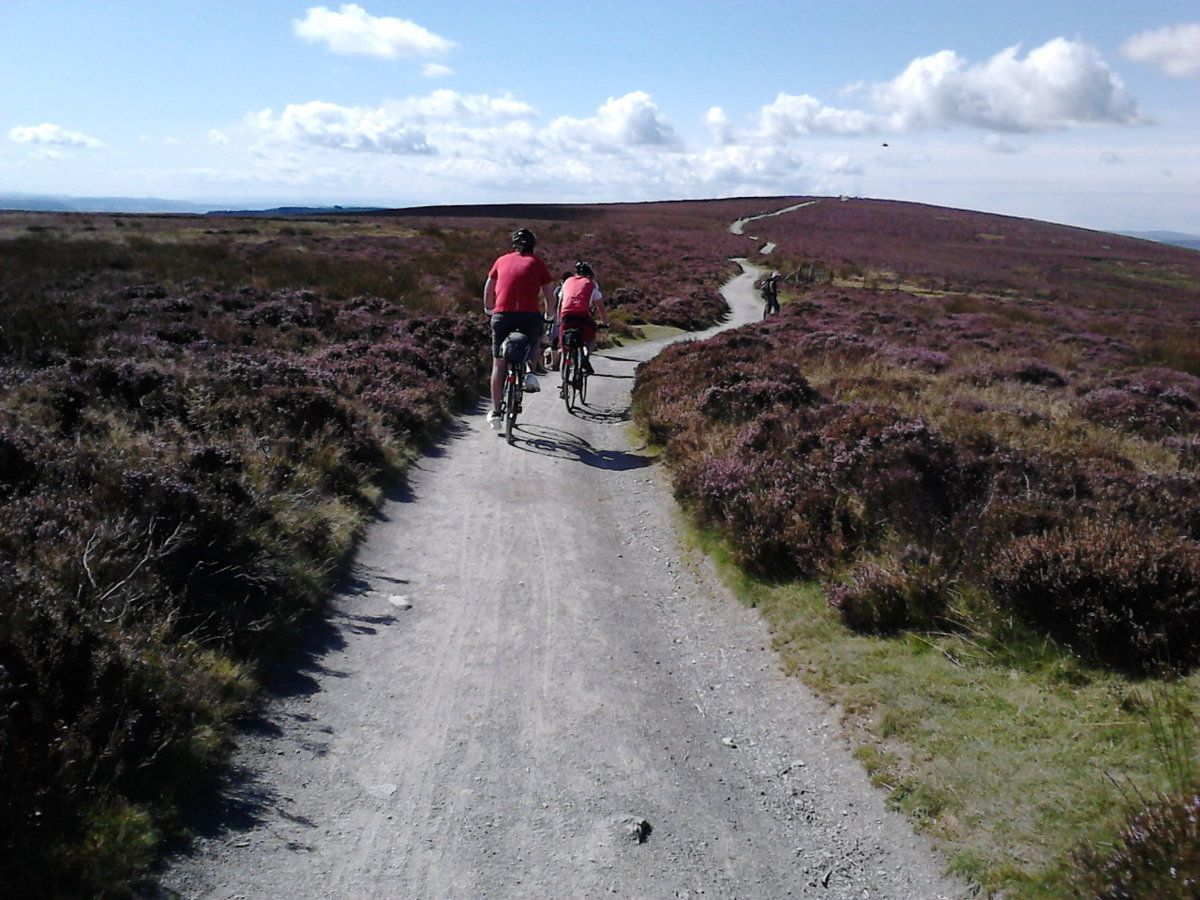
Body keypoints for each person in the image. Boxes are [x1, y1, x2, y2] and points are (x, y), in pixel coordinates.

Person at [483, 228, 556, 429]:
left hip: (502, 314)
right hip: (528, 315)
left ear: (513, 244)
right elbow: (550, 296)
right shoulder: (538, 263)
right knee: (534, 341)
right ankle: (530, 372)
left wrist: (489, 310)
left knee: (499, 363)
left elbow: (489, 287)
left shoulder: (501, 261)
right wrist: (550, 316)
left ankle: (496, 414)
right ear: (533, 245)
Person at [557, 260, 609, 378]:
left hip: (566, 316)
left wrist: (559, 321)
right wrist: (605, 323)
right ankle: (585, 358)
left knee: (565, 349)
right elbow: (600, 307)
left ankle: (563, 385)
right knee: (591, 338)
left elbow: (560, 302)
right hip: (582, 315)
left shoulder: (567, 282)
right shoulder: (591, 284)